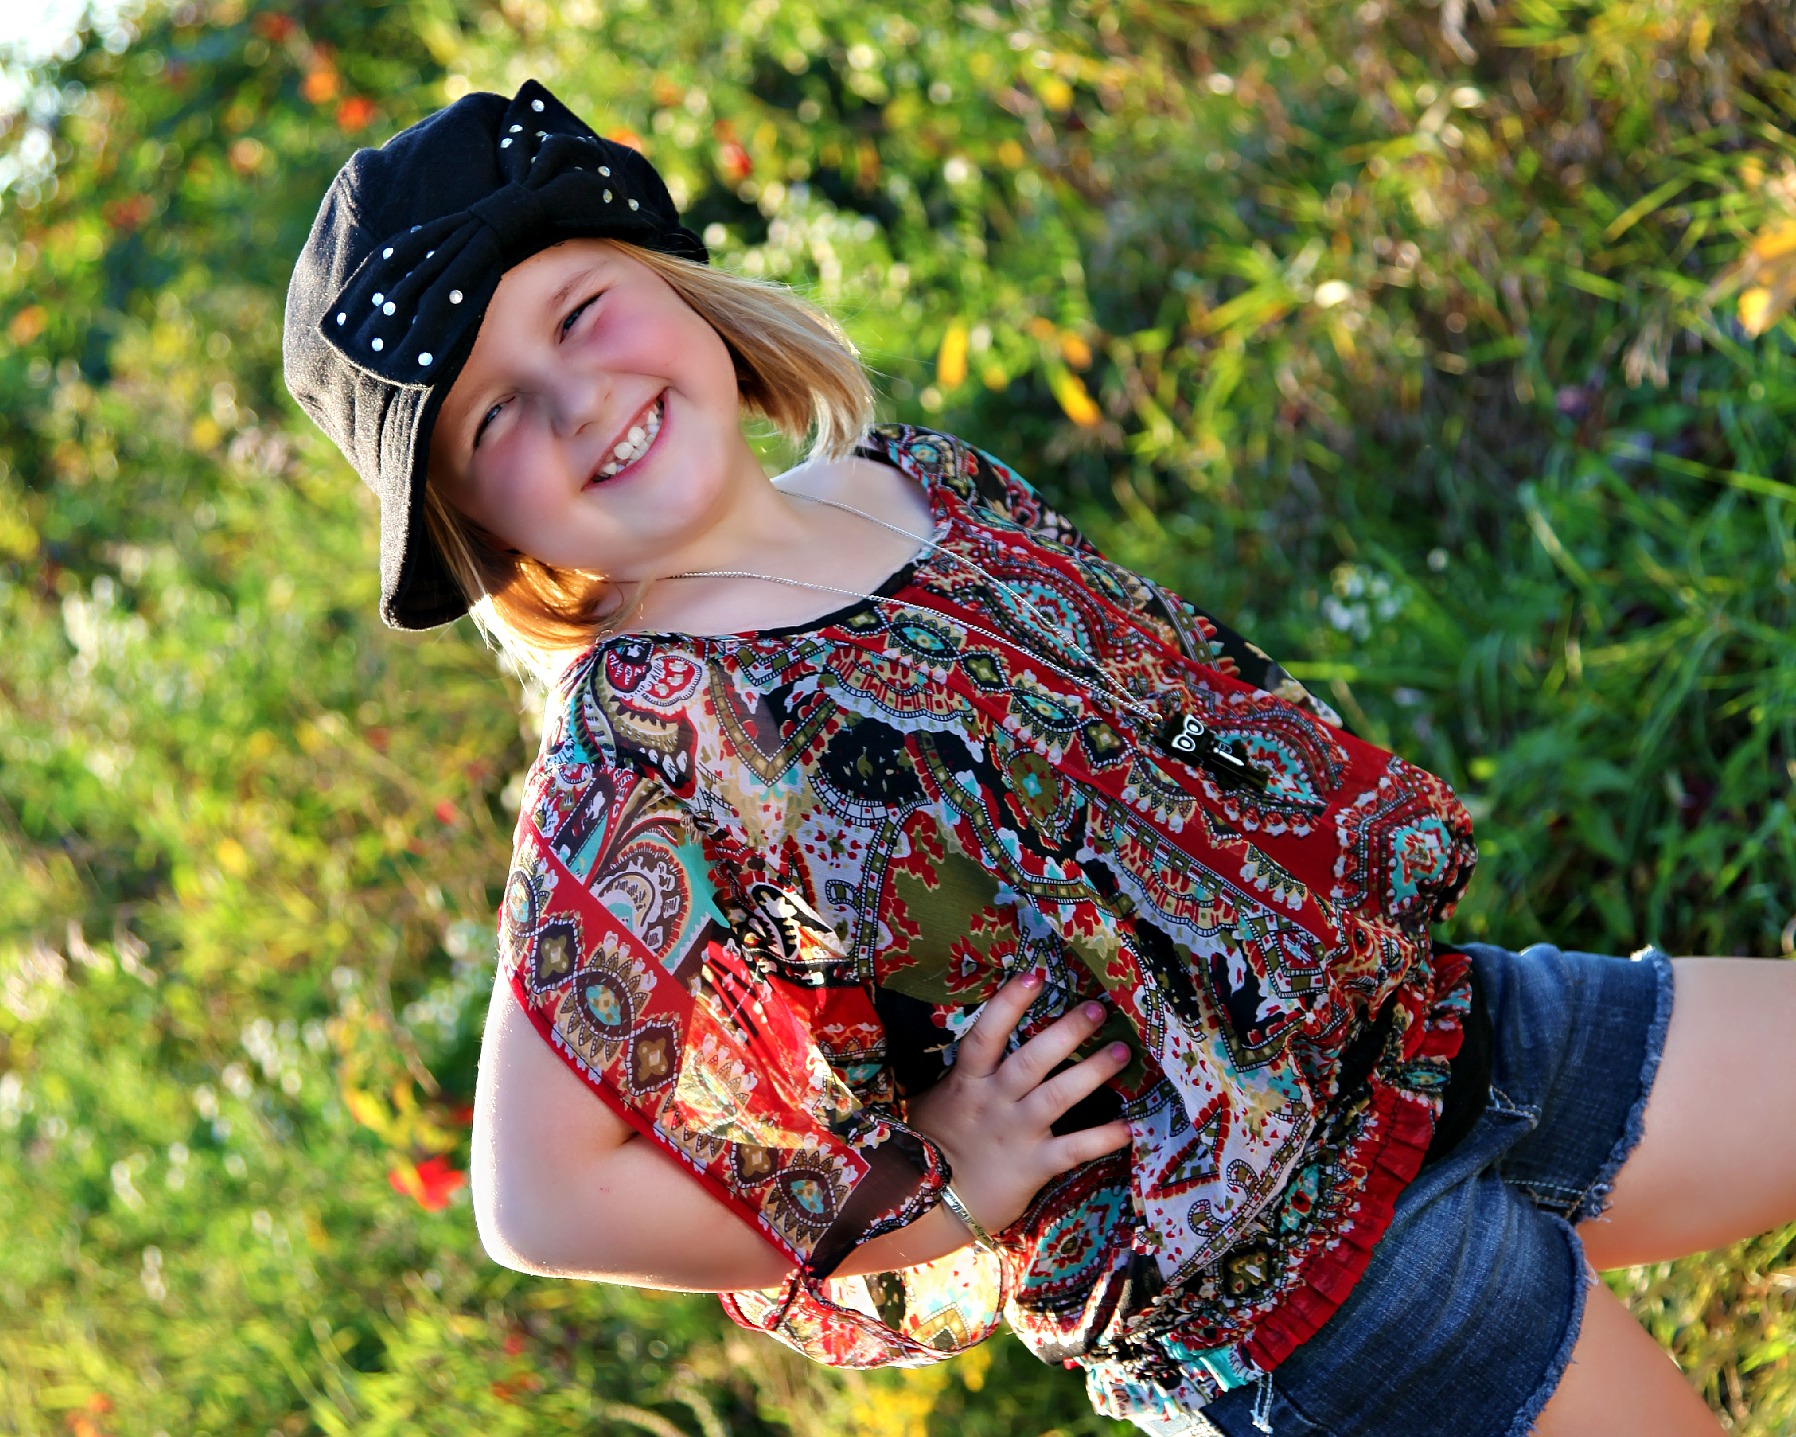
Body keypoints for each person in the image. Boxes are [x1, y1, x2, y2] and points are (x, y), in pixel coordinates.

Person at [282, 78, 1796, 1437]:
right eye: (497, 418)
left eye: (577, 311)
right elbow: (537, 1196)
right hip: (1284, 1286)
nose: (579, 400)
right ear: (486, 531)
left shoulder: (909, 482)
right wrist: (947, 1187)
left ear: (670, 282)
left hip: (1443, 1035)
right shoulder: (647, 723)